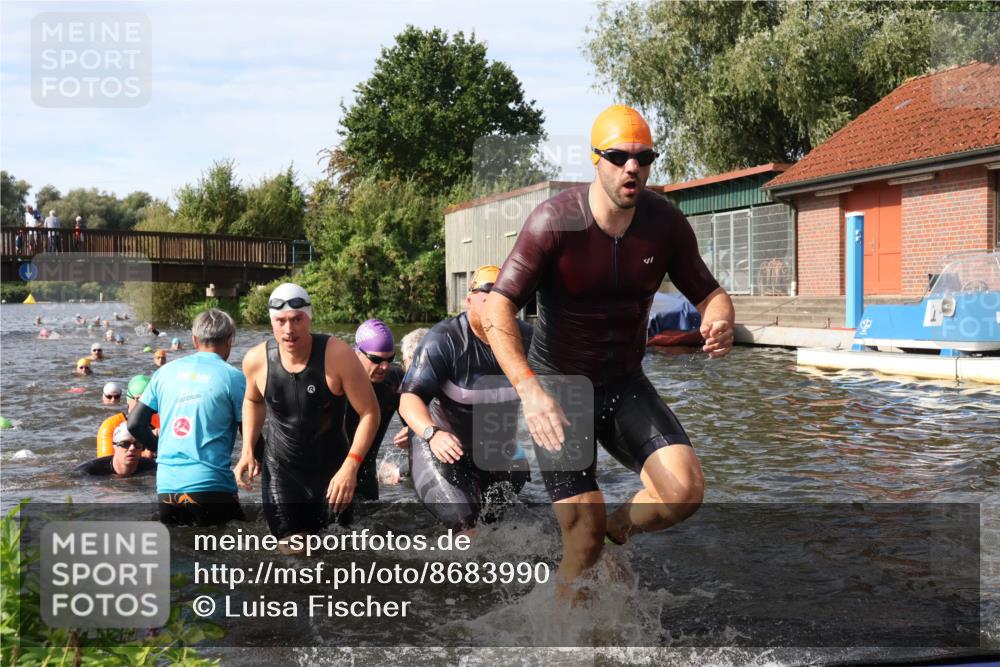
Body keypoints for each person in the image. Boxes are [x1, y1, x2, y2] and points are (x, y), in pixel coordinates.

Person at [483, 105, 735, 598]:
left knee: (684, 492)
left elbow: (711, 294)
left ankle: (618, 530)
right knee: (582, 537)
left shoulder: (663, 222)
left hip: (624, 382)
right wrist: (530, 391)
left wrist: (720, 319)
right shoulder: (554, 223)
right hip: (560, 390)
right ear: (596, 159)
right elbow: (497, 308)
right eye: (619, 157)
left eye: (644, 158)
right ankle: (559, 628)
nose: (632, 168)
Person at [235, 283, 379, 552]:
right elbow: (253, 401)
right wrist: (247, 451)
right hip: (282, 473)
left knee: (336, 555)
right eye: (281, 321)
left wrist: (351, 467)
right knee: (293, 554)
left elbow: (370, 412)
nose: (289, 329)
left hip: (334, 473)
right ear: (272, 322)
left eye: (297, 320)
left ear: (309, 318)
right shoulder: (256, 360)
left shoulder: (338, 355)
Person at [399, 266, 532, 532]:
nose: (495, 307)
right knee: (466, 527)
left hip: (498, 452)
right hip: (443, 447)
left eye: (503, 300)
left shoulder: (528, 339)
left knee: (503, 527)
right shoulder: (443, 340)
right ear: (469, 300)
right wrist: (432, 433)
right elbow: (409, 399)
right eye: (487, 298)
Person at [128, 309, 246, 526]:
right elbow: (250, 435)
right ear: (230, 340)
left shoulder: (164, 373)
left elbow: (134, 424)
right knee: (239, 542)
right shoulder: (234, 377)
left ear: (194, 340)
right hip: (211, 485)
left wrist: (160, 448)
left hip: (167, 488)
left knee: (179, 545)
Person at [344, 319, 404, 501]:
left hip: (365, 479)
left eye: (390, 359)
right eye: (376, 360)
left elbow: (417, 414)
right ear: (356, 353)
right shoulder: (336, 384)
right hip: (331, 477)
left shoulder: (395, 380)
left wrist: (413, 429)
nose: (384, 366)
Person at [75, 422, 156, 477]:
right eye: (125, 444)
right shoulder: (89, 471)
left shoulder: (152, 467)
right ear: (114, 446)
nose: (132, 448)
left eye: (137, 444)